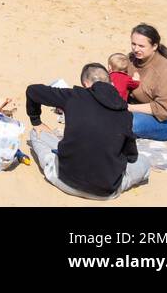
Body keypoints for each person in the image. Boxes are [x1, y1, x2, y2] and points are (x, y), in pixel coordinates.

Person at [25, 63, 150, 200]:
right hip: (106, 192)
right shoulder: (125, 112)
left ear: (86, 83)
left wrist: (36, 121)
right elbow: (131, 156)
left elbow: (32, 91)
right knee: (143, 162)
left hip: (63, 179)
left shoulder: (74, 96)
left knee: (36, 133)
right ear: (111, 83)